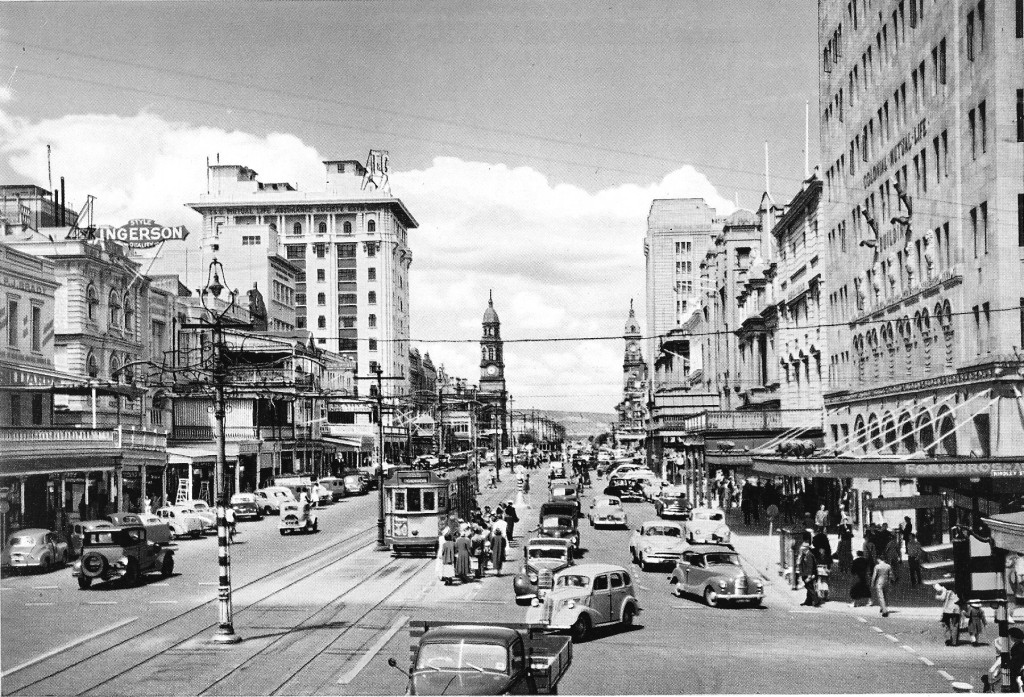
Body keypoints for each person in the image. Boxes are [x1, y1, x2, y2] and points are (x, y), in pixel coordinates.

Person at [798, 539, 819, 607]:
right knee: (808, 587)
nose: (802, 549)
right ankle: (808, 601)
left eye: (803, 548)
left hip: (808, 574)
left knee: (810, 588)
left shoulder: (809, 555)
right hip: (805, 574)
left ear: (806, 548)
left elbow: (810, 566)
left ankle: (816, 601)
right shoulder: (804, 555)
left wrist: (809, 576)